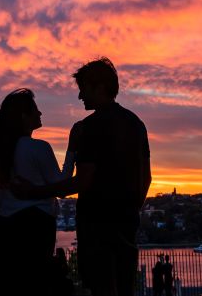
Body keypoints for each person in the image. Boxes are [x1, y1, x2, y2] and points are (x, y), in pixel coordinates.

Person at [13, 57, 152, 296]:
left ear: (99, 87)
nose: (80, 97)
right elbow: (146, 178)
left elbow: (81, 181)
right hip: (127, 224)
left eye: (83, 89)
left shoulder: (89, 127)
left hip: (96, 226)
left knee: (100, 288)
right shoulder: (136, 124)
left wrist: (32, 192)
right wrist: (130, 210)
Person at [0, 88, 76, 296]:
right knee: (34, 283)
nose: (40, 114)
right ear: (24, 117)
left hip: (5, 225)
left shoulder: (4, 150)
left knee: (9, 283)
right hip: (36, 225)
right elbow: (61, 184)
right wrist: (72, 150)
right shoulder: (38, 147)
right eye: (36, 110)